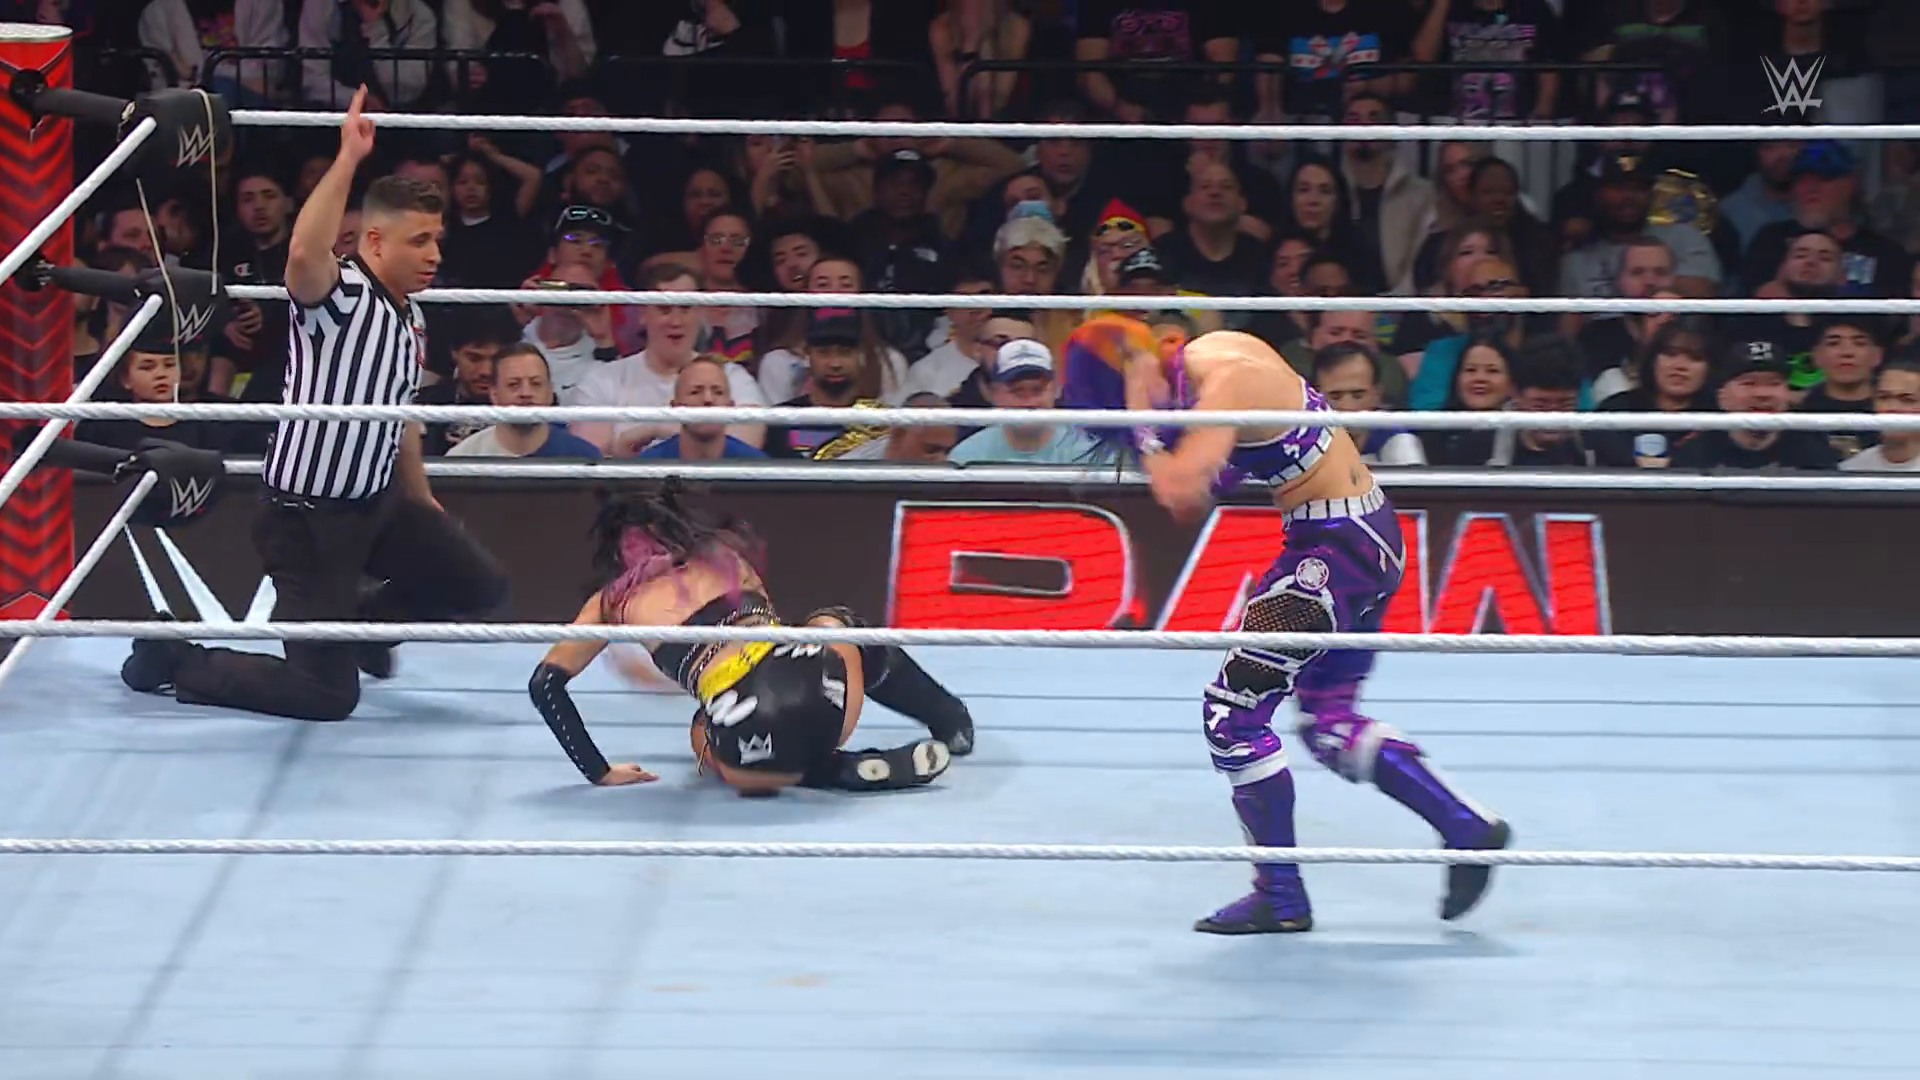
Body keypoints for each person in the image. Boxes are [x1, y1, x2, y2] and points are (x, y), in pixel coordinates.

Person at [1061, 315, 1511, 934]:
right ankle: (1465, 827)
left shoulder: (1225, 380)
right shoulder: (1214, 355)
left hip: (1332, 555)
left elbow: (1184, 491)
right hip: (1361, 537)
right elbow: (1226, 466)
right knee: (1328, 721)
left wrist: (1141, 426)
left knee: (1232, 714)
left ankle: (1280, 896)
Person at [119, 86, 509, 722]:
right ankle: (177, 658)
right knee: (325, 696)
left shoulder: (412, 318)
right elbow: (303, 253)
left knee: (480, 585)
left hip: (378, 505)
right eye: (419, 241)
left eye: (437, 240)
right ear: (374, 240)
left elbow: (400, 415)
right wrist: (348, 157)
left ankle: (367, 626)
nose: (435, 255)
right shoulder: (339, 297)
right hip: (307, 521)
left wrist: (422, 501)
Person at [529, 483, 979, 795]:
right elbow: (773, 661)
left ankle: (822, 771)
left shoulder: (611, 602)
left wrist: (600, 772)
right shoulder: (722, 553)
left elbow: (544, 686)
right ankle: (949, 718)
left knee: (703, 730)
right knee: (836, 626)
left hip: (746, 760)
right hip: (827, 706)